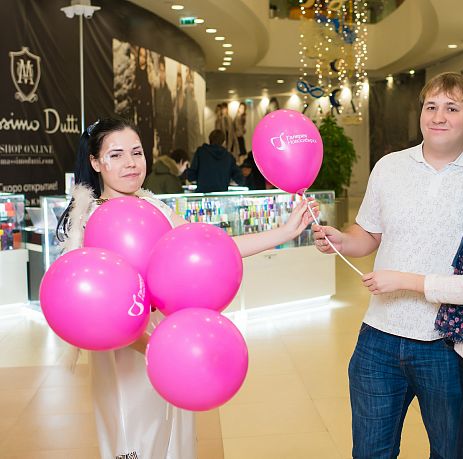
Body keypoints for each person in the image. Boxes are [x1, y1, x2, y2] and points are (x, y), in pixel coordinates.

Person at [312, 73, 463, 459]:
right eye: (431, 106)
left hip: (449, 344)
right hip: (379, 336)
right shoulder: (389, 167)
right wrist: (342, 240)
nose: (438, 117)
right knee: (370, 452)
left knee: (450, 451)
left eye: (452, 108)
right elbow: (368, 233)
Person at [56, 117, 318, 459]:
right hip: (128, 354)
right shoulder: (91, 222)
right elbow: (100, 312)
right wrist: (154, 348)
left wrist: (283, 232)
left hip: (172, 339)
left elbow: (210, 249)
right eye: (116, 155)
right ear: (95, 162)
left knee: (176, 440)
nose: (131, 163)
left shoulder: (155, 207)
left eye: (136, 152)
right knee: (135, 438)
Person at [187, 129, 244, 193]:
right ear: (224, 142)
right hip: (221, 195)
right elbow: (240, 179)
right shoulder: (228, 157)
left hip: (203, 194)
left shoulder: (200, 153)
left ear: (210, 140)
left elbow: (191, 176)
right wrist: (226, 181)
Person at [131, 46, 154, 172]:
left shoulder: (149, 74)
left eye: (144, 56)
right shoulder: (136, 74)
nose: (142, 59)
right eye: (141, 55)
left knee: (148, 152)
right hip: (138, 122)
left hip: (148, 123)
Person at [153, 56, 174, 157]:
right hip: (157, 129)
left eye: (163, 71)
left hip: (165, 129)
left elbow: (170, 113)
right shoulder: (155, 90)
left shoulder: (168, 92)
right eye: (160, 71)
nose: (162, 74)